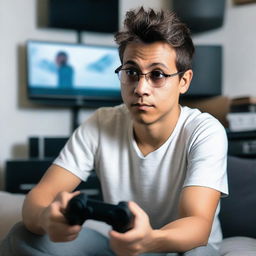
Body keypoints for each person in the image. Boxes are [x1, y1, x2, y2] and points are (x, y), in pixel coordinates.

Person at [0, 6, 228, 256]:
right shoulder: (101, 123)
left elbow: (197, 225)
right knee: (23, 235)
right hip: (121, 246)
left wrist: (150, 240)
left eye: (158, 75)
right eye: (131, 72)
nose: (141, 88)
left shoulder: (205, 131)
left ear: (183, 81)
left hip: (180, 247)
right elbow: (39, 198)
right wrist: (46, 219)